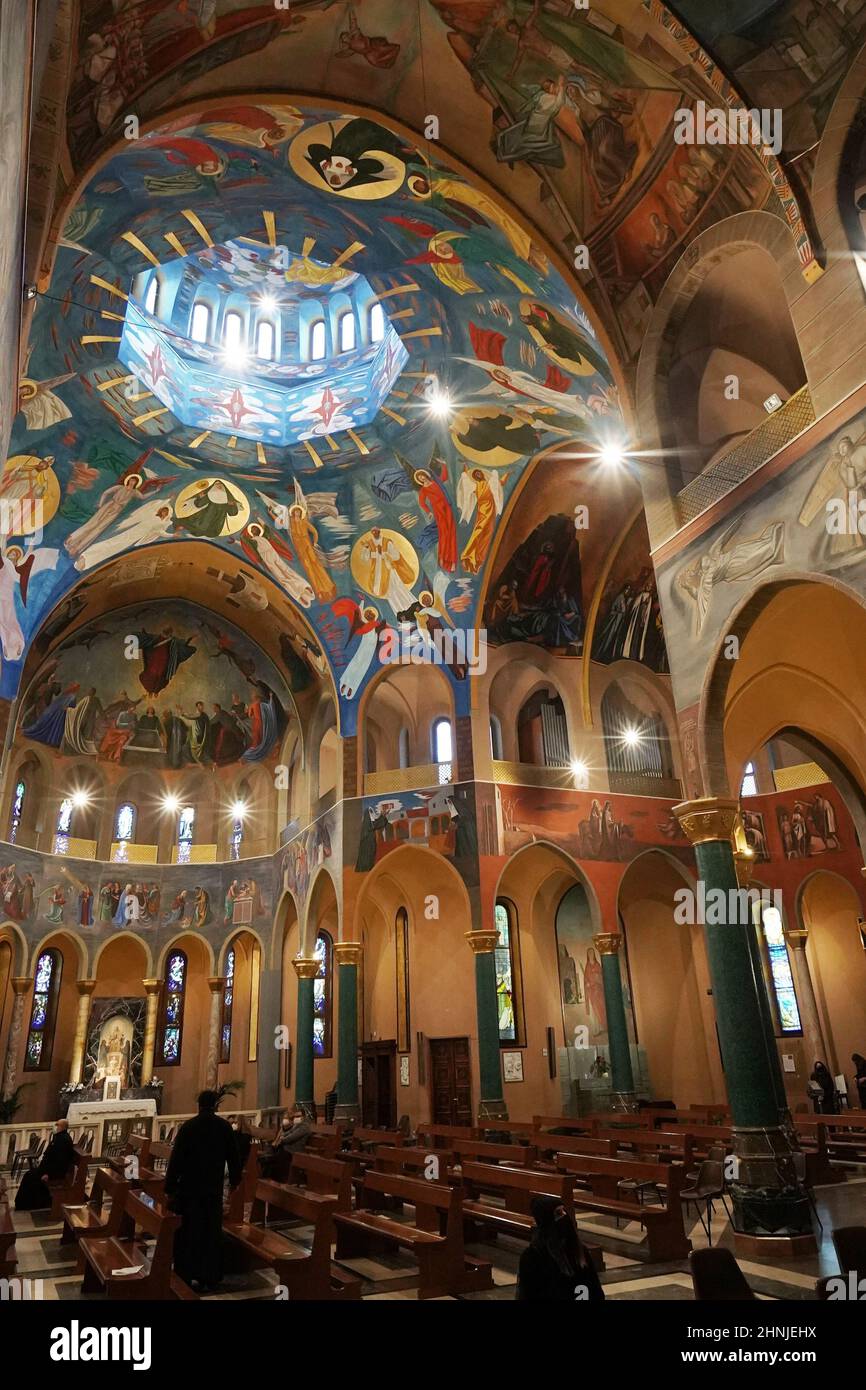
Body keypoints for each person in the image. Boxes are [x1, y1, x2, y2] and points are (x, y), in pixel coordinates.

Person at [164, 1089, 242, 1291]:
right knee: (210, 1232)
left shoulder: (189, 1127)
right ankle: (209, 1275)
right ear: (216, 1106)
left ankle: (186, 1273)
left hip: (189, 1190)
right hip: (212, 1189)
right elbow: (234, 1158)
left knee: (188, 1232)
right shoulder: (224, 1127)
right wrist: (235, 1182)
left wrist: (169, 1187)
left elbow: (177, 1159)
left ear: (198, 1106)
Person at [517, 1196, 604, 1301]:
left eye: (564, 1211)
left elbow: (594, 1289)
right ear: (546, 1219)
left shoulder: (579, 1251)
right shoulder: (532, 1256)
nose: (565, 1216)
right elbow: (528, 1295)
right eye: (558, 1213)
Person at [15, 1119, 77, 1211]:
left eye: (57, 1124)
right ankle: (26, 1203)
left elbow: (59, 1161)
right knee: (29, 1175)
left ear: (63, 1127)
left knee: (30, 1177)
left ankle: (30, 1204)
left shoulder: (63, 1140)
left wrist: (47, 1174)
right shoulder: (59, 1137)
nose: (55, 1126)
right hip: (49, 1169)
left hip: (55, 1173)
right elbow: (50, 1156)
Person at [263, 1107, 312, 1180]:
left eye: (298, 1116)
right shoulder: (298, 1125)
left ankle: (275, 1178)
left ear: (303, 1117)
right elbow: (289, 1133)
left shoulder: (304, 1127)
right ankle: (268, 1177)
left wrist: (282, 1139)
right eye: (295, 1116)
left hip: (295, 1150)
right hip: (288, 1148)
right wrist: (282, 1138)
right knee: (273, 1155)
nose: (296, 1118)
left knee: (277, 1156)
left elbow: (291, 1137)